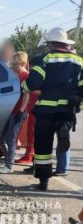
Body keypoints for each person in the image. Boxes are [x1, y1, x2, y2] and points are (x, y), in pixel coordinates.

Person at [22, 27, 82, 190]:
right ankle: (64, 127)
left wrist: (24, 86)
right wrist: (77, 104)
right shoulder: (79, 61)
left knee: (43, 145)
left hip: (46, 110)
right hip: (67, 108)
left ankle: (43, 181)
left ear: (51, 43)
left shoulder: (46, 58)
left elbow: (32, 82)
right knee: (64, 122)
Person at [0, 51, 29, 173]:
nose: (13, 65)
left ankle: (9, 166)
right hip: (9, 111)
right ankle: (7, 161)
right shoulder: (14, 75)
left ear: (22, 63)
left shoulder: (26, 76)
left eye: (16, 63)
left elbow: (26, 94)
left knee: (11, 139)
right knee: (2, 138)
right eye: (13, 62)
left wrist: (21, 111)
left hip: (18, 112)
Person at [0, 42, 16, 156]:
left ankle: (6, 155)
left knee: (8, 133)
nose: (5, 53)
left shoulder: (14, 66)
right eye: (4, 51)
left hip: (12, 102)